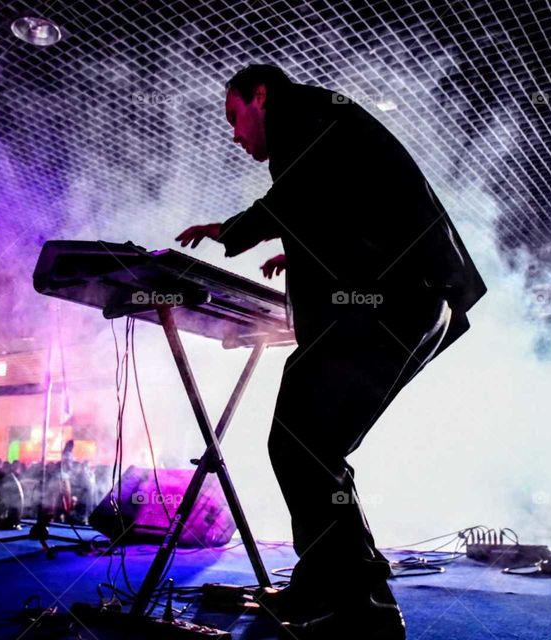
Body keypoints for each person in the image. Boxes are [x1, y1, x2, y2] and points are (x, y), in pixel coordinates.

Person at [177, 64, 486, 639]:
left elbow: (306, 189)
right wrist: (307, 254)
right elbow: (351, 201)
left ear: (261, 95)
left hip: (395, 303)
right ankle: (334, 586)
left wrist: (236, 230)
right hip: (412, 300)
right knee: (313, 448)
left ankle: (356, 603)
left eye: (234, 116)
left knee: (302, 445)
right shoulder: (327, 123)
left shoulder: (304, 115)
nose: (234, 133)